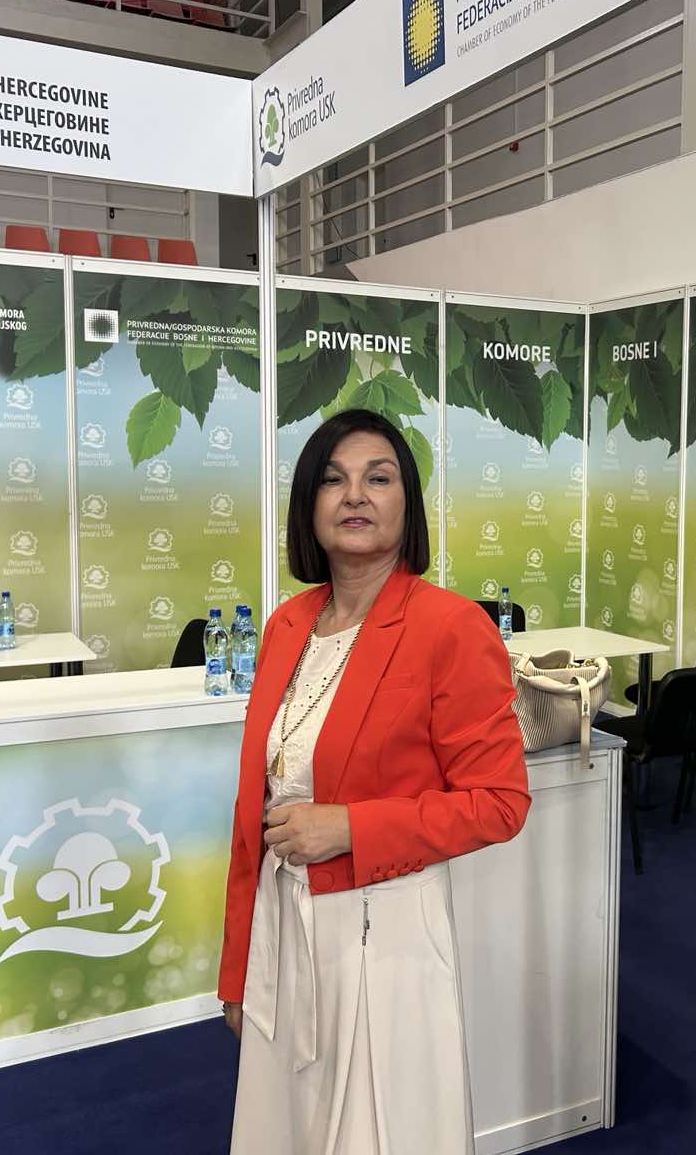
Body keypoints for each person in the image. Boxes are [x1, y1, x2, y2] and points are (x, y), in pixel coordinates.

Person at [221, 409, 530, 1154]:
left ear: (406, 503)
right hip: (282, 922)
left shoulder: (450, 627)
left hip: (382, 934)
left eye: (378, 478)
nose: (355, 494)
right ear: (309, 504)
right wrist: (237, 968)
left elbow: (500, 803)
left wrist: (351, 827)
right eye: (334, 479)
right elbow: (254, 808)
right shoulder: (288, 625)